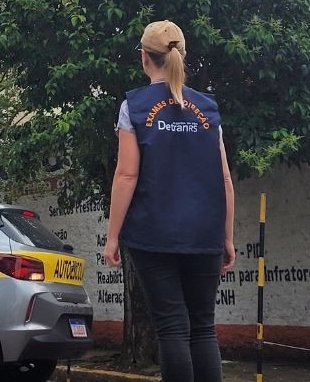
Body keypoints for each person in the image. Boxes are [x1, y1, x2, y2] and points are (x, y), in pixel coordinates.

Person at [102, 20, 236, 382]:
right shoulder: (208, 110)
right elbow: (224, 178)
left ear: (144, 57)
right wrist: (226, 237)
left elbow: (127, 175)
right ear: (182, 55)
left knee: (173, 329)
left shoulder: (134, 106)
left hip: (154, 234)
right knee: (203, 328)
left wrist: (112, 237)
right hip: (204, 233)